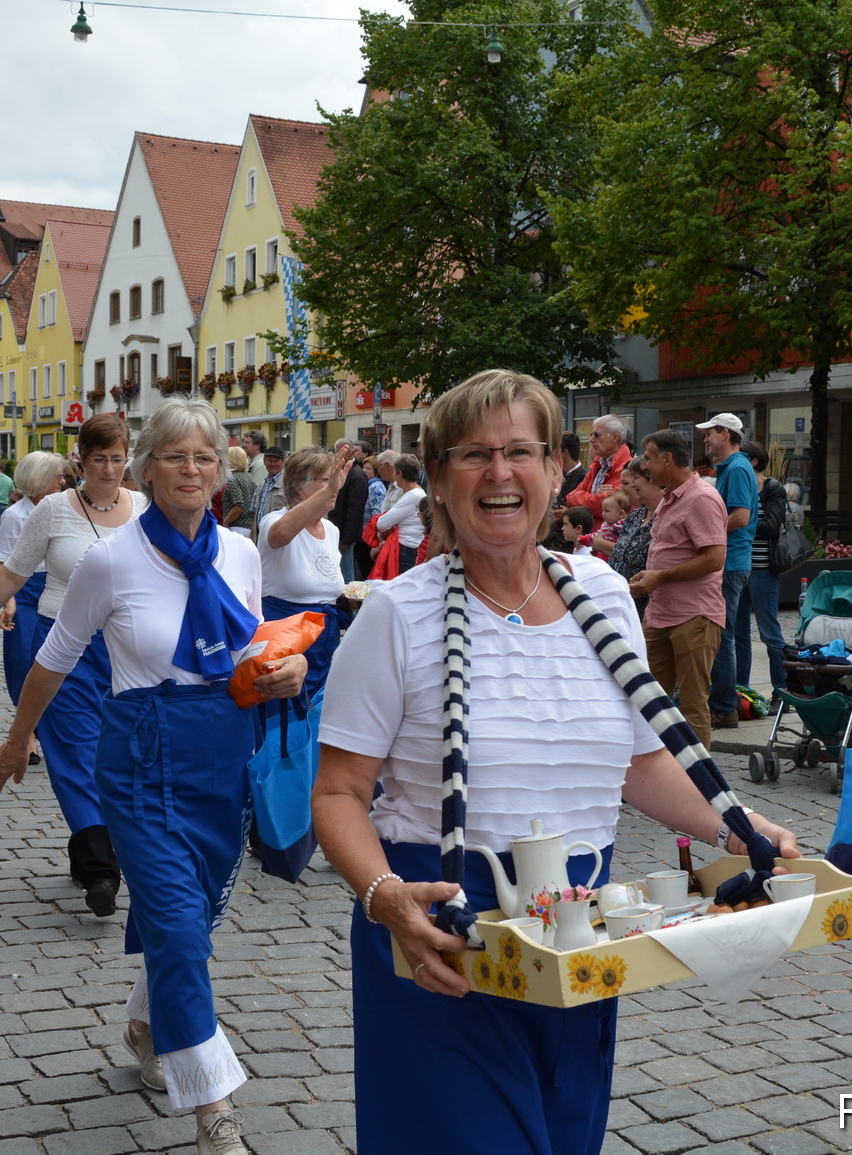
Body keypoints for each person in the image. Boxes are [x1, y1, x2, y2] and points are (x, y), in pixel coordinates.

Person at [313, 369, 797, 1155]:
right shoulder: (396, 613)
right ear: (438, 477)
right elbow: (337, 792)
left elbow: (640, 763)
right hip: (440, 933)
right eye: (474, 454)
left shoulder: (601, 592)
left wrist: (737, 825)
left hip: (578, 936)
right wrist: (384, 897)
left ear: (553, 468)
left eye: (520, 452)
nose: (499, 473)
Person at [0, 397, 305, 1155]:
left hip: (223, 758)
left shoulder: (241, 553)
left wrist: (284, 671)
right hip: (140, 763)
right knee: (180, 929)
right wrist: (19, 738)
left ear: (220, 471)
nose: (191, 469)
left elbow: (249, 652)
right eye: (174, 456)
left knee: (190, 920)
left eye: (204, 457)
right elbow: (55, 656)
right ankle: (215, 1111)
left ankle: (145, 1020)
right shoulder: (111, 559)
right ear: (146, 469)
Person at [0, 417, 143, 918]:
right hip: (64, 648)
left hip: (127, 651)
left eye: (117, 459)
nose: (109, 469)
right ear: (80, 460)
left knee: (121, 756)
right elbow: (11, 575)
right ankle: (101, 870)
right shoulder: (53, 510)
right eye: (98, 459)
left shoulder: (144, 509)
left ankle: (94, 850)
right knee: (74, 753)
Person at [630, 429, 727, 748]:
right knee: (648, 702)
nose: (645, 465)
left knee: (692, 706)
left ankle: (696, 777)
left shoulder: (701, 498)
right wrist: (650, 579)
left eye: (649, 458)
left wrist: (660, 577)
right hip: (660, 614)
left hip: (694, 616)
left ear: (668, 459)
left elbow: (714, 559)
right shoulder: (671, 496)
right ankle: (654, 771)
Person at [0, 452, 69, 769]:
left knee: (57, 663)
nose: (63, 481)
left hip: (58, 589)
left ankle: (51, 731)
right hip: (25, 593)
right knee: (23, 663)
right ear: (40, 479)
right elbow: (1, 561)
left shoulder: (65, 508)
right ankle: (28, 736)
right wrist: (8, 600)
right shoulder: (14, 515)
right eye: (57, 476)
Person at [260, 444, 356, 695]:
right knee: (288, 713)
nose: (335, 485)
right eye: (325, 479)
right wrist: (330, 490)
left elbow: (324, 585)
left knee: (322, 708)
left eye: (334, 479)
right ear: (299, 489)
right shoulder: (274, 520)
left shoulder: (331, 530)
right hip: (286, 641)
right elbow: (280, 535)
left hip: (325, 641)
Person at [698, 413, 757, 732]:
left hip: (730, 562)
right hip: (732, 560)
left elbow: (741, 517)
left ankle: (723, 708)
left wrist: (703, 532)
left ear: (725, 434)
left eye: (709, 433)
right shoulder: (734, 466)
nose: (705, 439)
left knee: (721, 635)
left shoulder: (735, 468)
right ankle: (722, 704)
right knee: (724, 634)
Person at [743, 440, 791, 696]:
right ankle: (741, 692)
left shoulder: (772, 488)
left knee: (769, 633)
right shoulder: (738, 487)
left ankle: (781, 691)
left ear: (754, 461)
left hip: (762, 570)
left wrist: (738, 523)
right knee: (739, 633)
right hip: (737, 569)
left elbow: (772, 526)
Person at [606, 457, 657, 611]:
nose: (632, 484)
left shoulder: (664, 518)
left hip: (645, 608)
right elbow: (617, 556)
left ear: (652, 480)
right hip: (618, 602)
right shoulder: (635, 516)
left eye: (635, 478)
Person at [564, 413, 633, 518]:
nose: (591, 439)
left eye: (596, 435)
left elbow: (607, 506)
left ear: (615, 438)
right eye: (591, 435)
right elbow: (570, 497)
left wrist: (584, 498)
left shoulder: (627, 468)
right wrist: (595, 497)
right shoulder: (597, 465)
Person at [374, 454, 426, 573]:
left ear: (399, 473)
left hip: (406, 548)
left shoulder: (412, 495)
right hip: (409, 547)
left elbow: (381, 524)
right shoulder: (417, 493)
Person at [327, 439, 370, 583]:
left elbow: (355, 510)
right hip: (337, 531)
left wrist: (347, 539)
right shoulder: (341, 471)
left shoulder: (356, 475)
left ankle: (348, 598)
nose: (340, 455)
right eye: (337, 452)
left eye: (343, 452)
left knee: (346, 575)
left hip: (344, 535)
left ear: (352, 453)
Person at [249, 444, 287, 537]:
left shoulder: (288, 484)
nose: (273, 464)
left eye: (276, 461)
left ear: (283, 462)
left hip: (278, 537)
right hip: (260, 537)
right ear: (264, 461)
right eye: (270, 460)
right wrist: (252, 536)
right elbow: (255, 514)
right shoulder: (261, 484)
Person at [220, 446, 256, 532]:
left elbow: (238, 506)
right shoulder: (249, 478)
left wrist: (225, 522)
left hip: (236, 527)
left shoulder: (232, 479)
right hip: (249, 527)